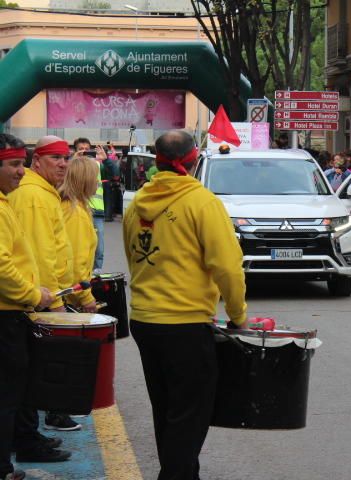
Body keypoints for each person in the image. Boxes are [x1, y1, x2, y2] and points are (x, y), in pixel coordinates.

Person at [123, 130, 248, 480]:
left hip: (145, 321)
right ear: (193, 162)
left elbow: (135, 260)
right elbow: (227, 265)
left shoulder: (137, 205)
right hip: (186, 324)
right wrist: (238, 316)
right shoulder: (202, 202)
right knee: (189, 415)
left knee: (166, 409)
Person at [8, 135, 77, 454]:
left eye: (66, 158)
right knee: (22, 379)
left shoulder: (42, 193)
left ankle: (26, 437)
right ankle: (24, 440)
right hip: (30, 302)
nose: (63, 164)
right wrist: (54, 302)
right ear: (37, 162)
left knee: (24, 377)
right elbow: (40, 254)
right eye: (55, 158)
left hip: (32, 298)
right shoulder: (34, 196)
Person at [0, 134, 57, 480]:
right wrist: (34, 294)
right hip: (6, 314)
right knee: (7, 396)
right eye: (14, 165)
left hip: (11, 310)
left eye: (22, 164)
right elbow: (2, 265)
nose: (21, 172)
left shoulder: (7, 203)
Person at [58, 156, 99, 313]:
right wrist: (86, 297)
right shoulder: (75, 213)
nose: (98, 182)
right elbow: (75, 261)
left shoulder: (67, 205)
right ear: (85, 180)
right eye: (95, 177)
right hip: (69, 297)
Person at [73, 138, 111, 270]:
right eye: (80, 149)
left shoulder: (98, 165)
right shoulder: (72, 166)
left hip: (97, 213)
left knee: (98, 249)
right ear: (75, 151)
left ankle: (97, 275)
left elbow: (115, 175)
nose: (84, 152)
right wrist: (72, 161)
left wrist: (106, 160)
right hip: (76, 210)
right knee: (79, 246)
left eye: (86, 149)